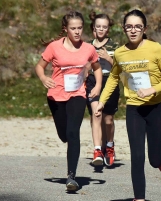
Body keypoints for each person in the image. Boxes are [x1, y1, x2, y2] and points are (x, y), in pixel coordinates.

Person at [94, 9, 161, 201]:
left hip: (157, 107)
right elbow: (114, 78)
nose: (133, 30)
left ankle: (160, 158)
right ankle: (139, 198)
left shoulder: (155, 49)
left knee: (153, 160)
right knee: (137, 157)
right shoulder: (121, 53)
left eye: (137, 26)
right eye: (129, 27)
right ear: (124, 29)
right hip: (135, 109)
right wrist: (102, 101)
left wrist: (152, 90)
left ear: (144, 28)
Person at [35, 11, 102, 191]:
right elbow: (40, 67)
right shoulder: (54, 47)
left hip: (78, 94)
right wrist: (43, 79)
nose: (77, 31)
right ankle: (66, 138)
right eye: (73, 28)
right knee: (64, 135)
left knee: (73, 133)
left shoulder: (88, 48)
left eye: (80, 28)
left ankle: (71, 177)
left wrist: (97, 86)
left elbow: (97, 68)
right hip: (56, 95)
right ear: (66, 29)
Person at [86, 12, 120, 167]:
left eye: (104, 27)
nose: (101, 29)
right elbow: (83, 67)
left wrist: (108, 57)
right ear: (94, 27)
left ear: (108, 29)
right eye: (98, 26)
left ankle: (110, 146)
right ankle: (97, 150)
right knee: (96, 114)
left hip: (110, 82)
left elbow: (121, 69)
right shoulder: (87, 46)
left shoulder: (116, 46)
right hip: (93, 81)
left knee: (108, 120)